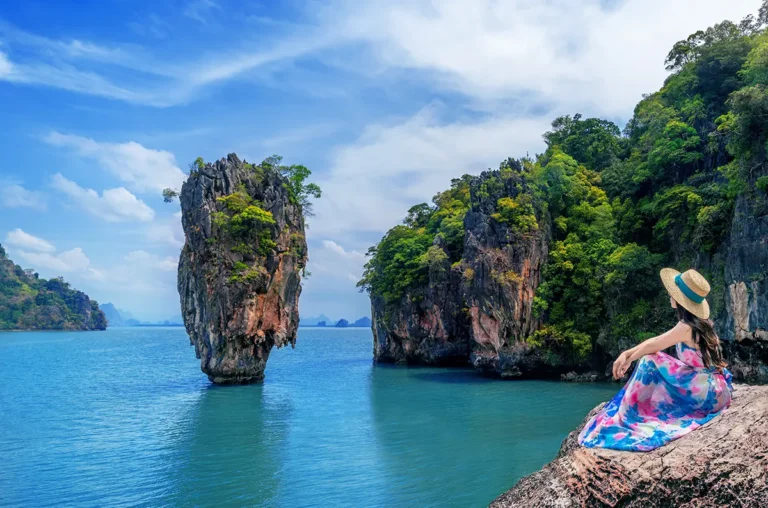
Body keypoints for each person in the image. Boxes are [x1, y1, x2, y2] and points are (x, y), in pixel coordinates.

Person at [578, 268, 733, 452]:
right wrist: (627, 353)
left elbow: (655, 345)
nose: (669, 295)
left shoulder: (686, 326)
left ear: (681, 300)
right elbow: (656, 340)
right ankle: (636, 409)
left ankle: (630, 414)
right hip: (712, 385)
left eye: (673, 292)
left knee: (648, 360)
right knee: (652, 357)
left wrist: (630, 358)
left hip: (706, 393)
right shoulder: (696, 323)